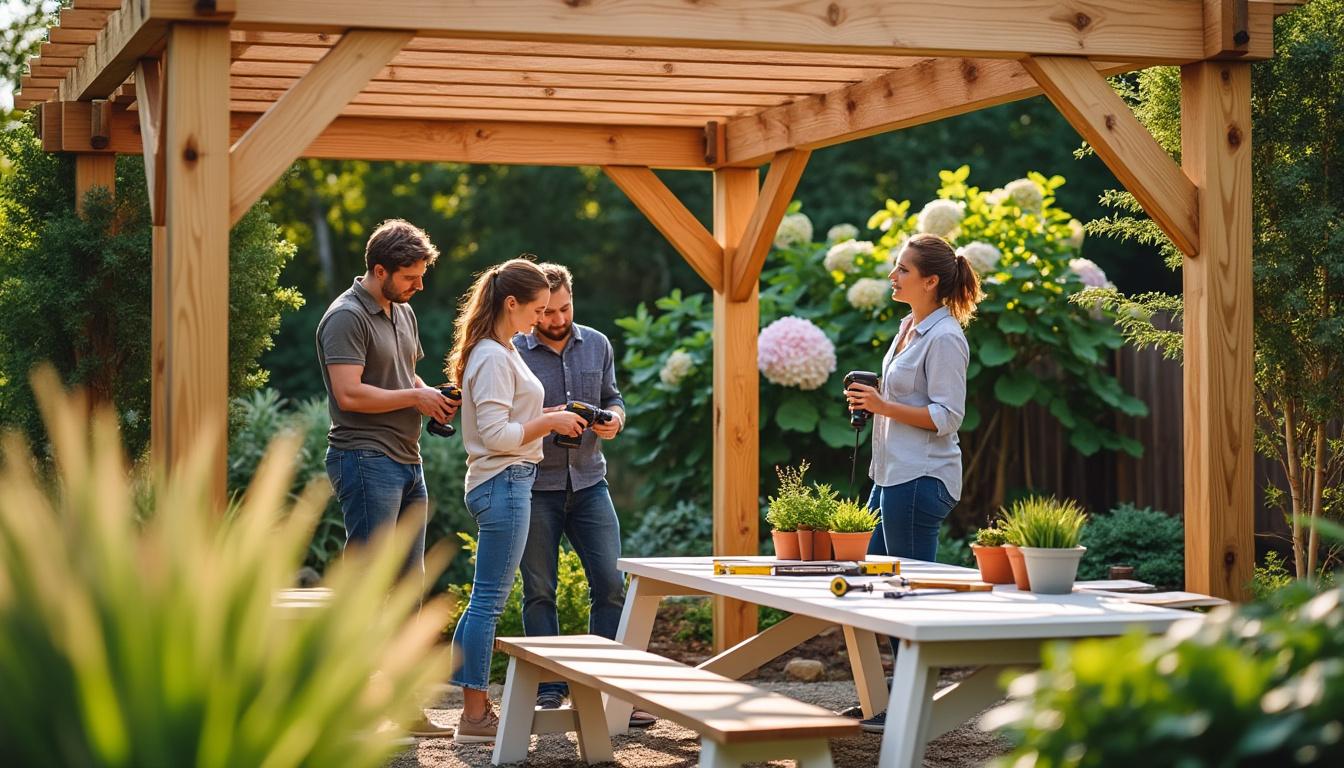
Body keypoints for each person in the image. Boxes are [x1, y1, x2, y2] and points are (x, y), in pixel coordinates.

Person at [316, 218, 459, 737]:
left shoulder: (402, 312)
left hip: (407, 458)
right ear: (380, 270)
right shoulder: (345, 317)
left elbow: (406, 377)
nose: (419, 286)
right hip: (363, 457)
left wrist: (431, 399)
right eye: (410, 277)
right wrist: (414, 398)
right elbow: (350, 394)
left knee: (408, 584)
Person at [843, 233, 984, 733]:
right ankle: (889, 704)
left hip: (920, 478)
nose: (892, 276)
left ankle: (910, 710)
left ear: (930, 281)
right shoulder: (910, 326)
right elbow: (911, 402)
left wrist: (884, 406)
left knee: (908, 592)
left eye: (902, 270)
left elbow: (947, 416)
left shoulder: (946, 337)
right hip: (890, 476)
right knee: (879, 588)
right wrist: (875, 403)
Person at [446, 257, 588, 744]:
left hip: (507, 480)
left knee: (481, 601)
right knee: (488, 602)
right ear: (512, 303)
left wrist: (548, 414)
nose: (540, 320)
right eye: (536, 309)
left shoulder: (500, 350)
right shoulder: (490, 355)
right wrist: (547, 424)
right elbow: (495, 434)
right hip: (504, 482)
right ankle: (474, 717)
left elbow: (508, 420)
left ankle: (473, 707)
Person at [513, 263, 656, 727]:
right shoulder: (513, 349)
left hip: (591, 482)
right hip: (535, 487)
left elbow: (614, 397)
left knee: (612, 586)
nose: (556, 319)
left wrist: (615, 418)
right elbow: (505, 419)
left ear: (573, 298)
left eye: (564, 308)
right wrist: (548, 416)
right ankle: (549, 691)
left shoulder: (597, 342)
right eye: (547, 311)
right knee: (539, 592)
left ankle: (609, 691)